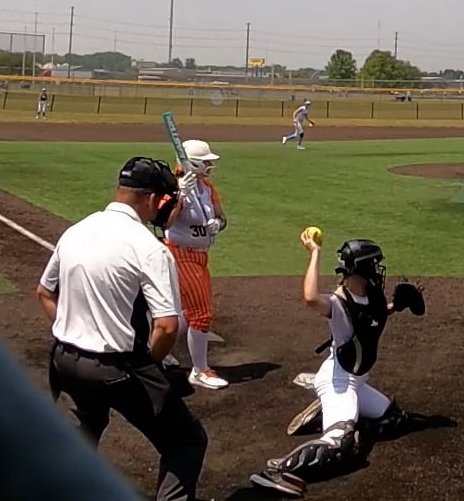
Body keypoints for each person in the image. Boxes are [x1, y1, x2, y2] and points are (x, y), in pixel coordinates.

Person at [39, 157, 205, 501]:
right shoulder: (149, 248)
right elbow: (167, 327)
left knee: (81, 433)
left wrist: (74, 330)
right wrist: (148, 365)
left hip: (65, 362)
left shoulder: (76, 230)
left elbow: (44, 292)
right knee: (185, 440)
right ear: (153, 199)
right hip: (118, 368)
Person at [250, 234, 427, 497]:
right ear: (361, 268)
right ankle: (278, 471)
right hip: (338, 381)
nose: (377, 270)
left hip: (357, 383)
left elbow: (371, 317)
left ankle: (326, 415)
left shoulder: (372, 295)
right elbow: (310, 298)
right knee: (341, 445)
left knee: (395, 421)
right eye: (373, 264)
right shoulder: (338, 303)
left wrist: (395, 306)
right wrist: (314, 252)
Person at [166, 139, 229, 390]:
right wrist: (179, 195)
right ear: (191, 163)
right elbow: (166, 222)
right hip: (180, 254)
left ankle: (155, 349)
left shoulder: (206, 187)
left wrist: (217, 225)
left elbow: (222, 217)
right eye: (205, 162)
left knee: (187, 312)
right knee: (201, 313)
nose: (210, 166)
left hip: (201, 255)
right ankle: (200, 370)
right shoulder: (174, 186)